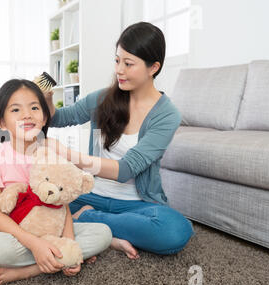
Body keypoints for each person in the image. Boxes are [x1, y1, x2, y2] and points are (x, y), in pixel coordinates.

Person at [43, 22, 194, 260]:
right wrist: (48, 100)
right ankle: (108, 237)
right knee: (33, 206)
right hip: (90, 195)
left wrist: (68, 154)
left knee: (175, 230)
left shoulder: (167, 115)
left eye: (128, 64)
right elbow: (59, 118)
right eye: (117, 61)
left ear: (153, 67)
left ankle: (87, 221)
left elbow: (126, 170)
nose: (119, 70)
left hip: (135, 204)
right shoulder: (103, 99)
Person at [0, 79, 112, 285]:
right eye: (15, 109)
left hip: (53, 229)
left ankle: (31, 269)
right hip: (18, 234)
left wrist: (69, 243)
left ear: (45, 117)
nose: (27, 114)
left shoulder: (51, 151)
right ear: (1, 122)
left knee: (103, 233)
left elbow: (62, 202)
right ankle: (54, 257)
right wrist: (35, 244)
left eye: (34, 107)